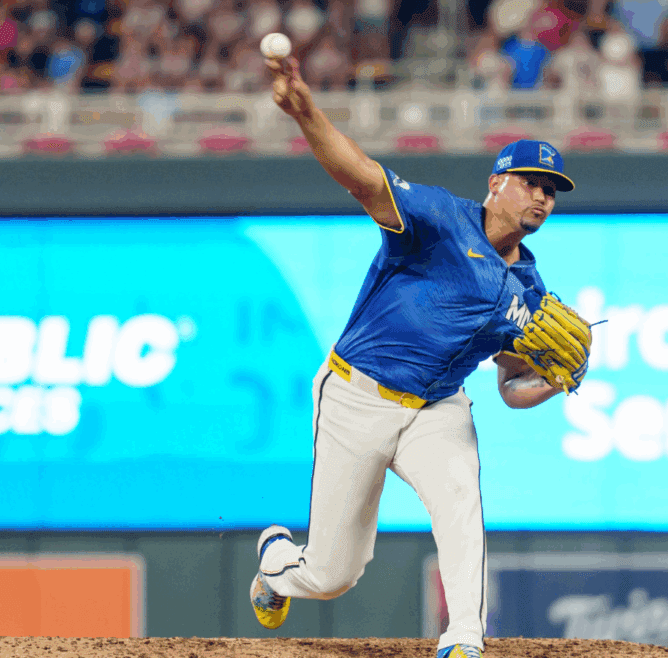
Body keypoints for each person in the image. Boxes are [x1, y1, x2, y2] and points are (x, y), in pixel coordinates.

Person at [251, 54, 589, 658]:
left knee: (462, 502)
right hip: (358, 394)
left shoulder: (532, 292)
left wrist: (557, 380)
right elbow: (362, 178)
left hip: (438, 407)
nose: (541, 197)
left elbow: (512, 386)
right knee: (332, 576)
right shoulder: (438, 219)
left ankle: (463, 639)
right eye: (531, 182)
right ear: (496, 182)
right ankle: (277, 561)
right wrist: (305, 112)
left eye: (551, 191)